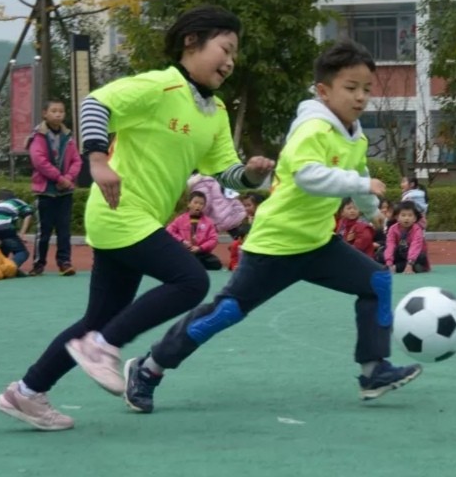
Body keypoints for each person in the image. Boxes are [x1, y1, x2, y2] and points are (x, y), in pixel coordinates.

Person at [0, 5, 275, 431]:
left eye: (235, 53)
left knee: (97, 319)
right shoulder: (158, 86)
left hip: (140, 219)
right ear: (191, 42)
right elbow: (94, 105)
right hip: (119, 212)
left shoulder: (213, 111)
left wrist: (250, 174)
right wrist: (98, 159)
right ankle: (104, 347)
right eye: (225, 48)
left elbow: (223, 169)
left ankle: (27, 392)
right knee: (191, 281)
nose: (231, 61)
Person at [116, 40, 421, 415]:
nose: (361, 97)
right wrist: (360, 187)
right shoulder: (311, 128)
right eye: (351, 88)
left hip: (316, 245)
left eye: (367, 89)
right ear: (323, 91)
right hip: (274, 247)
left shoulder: (353, 133)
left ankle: (374, 371)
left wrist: (370, 208)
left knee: (377, 281)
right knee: (226, 312)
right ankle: (148, 369)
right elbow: (310, 176)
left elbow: (358, 173)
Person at [27, 100, 83, 276]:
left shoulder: (68, 136)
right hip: (45, 191)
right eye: (54, 111)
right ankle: (38, 263)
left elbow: (76, 160)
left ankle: (65, 262)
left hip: (65, 191)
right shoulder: (39, 136)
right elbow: (39, 160)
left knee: (64, 229)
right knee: (43, 230)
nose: (58, 114)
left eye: (61, 111)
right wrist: (58, 177)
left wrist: (68, 178)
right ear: (45, 113)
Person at [166, 191, 222, 270]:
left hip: (200, 252)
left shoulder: (208, 222)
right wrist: (182, 241)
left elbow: (213, 239)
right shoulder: (180, 219)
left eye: (201, 204)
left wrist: (200, 248)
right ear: (189, 204)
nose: (198, 206)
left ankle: (191, 263)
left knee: (216, 264)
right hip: (184, 251)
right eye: (195, 202)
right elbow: (169, 231)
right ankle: (192, 263)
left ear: (204, 206)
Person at [0, 189, 34, 272]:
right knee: (22, 252)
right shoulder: (16, 201)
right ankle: (8, 268)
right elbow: (28, 215)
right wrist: (22, 234)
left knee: (4, 248)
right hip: (4, 226)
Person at [384, 201, 430, 274]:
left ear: (415, 218)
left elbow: (415, 246)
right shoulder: (393, 229)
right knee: (381, 253)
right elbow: (390, 245)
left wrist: (410, 264)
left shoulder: (417, 230)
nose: (406, 218)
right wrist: (389, 262)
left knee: (421, 257)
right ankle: (392, 267)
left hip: (414, 256)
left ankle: (398, 267)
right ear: (397, 217)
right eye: (403, 215)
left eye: (410, 215)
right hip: (400, 253)